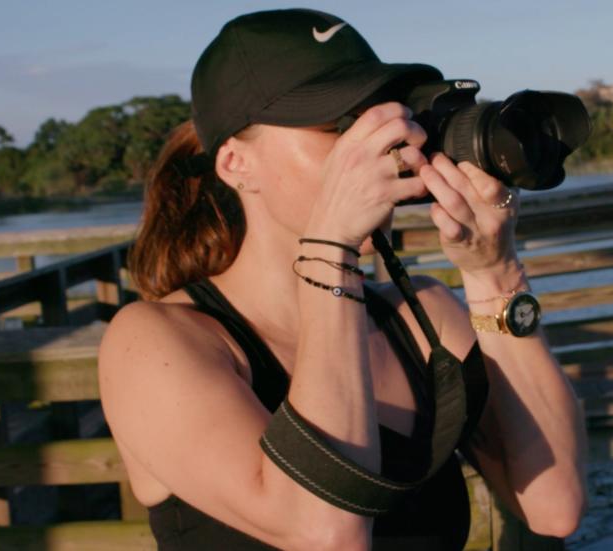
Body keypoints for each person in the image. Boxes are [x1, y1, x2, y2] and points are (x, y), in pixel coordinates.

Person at [98, 8, 587, 550]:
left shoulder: (421, 317)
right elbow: (325, 533)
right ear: (236, 163)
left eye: (383, 119)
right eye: (339, 128)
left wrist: (495, 272)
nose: (379, 148)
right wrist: (331, 253)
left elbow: (554, 504)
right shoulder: (153, 343)